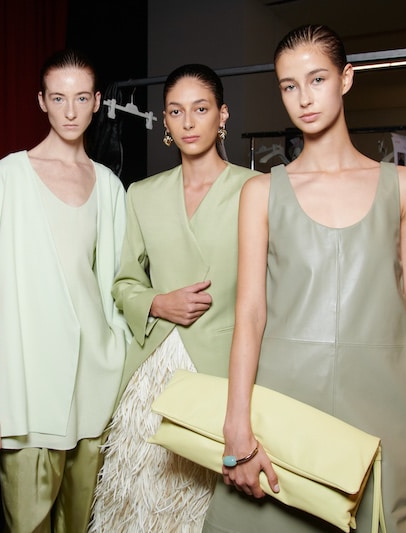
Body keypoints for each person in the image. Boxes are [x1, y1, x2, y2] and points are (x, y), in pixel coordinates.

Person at [204, 25, 406, 532]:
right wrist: (236, 424)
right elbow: (250, 313)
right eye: (289, 86)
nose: (303, 99)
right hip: (285, 400)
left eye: (317, 79)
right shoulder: (261, 193)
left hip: (382, 403)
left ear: (346, 79)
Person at [89, 64, 260, 533]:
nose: (188, 122)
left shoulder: (255, 189)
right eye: (175, 111)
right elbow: (123, 282)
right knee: (138, 505)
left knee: (203, 510)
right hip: (153, 372)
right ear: (164, 120)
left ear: (222, 114)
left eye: (200, 109)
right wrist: (157, 302)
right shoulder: (143, 194)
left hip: (224, 372)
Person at [0, 49, 130, 533]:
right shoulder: (7, 176)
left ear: (97, 102)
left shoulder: (109, 186)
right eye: (58, 98)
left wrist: (118, 359)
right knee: (27, 523)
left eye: (81, 98)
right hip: (28, 385)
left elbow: (117, 285)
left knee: (81, 524)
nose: (70, 111)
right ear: (41, 101)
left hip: (94, 380)